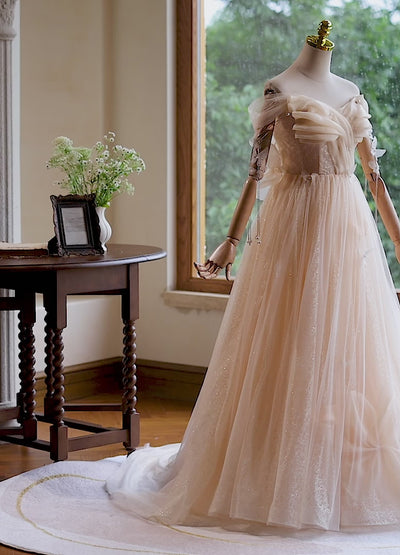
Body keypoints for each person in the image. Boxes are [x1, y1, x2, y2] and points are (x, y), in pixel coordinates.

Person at [106, 21, 400, 531]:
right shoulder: (277, 91)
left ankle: (336, 463)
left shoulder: (351, 92)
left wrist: (396, 236)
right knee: (288, 336)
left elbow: (373, 176)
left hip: (347, 225)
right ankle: (277, 462)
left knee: (350, 338)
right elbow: (255, 172)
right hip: (293, 224)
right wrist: (231, 240)